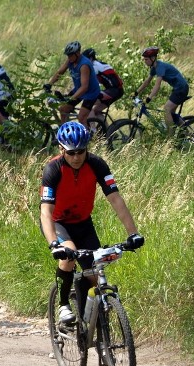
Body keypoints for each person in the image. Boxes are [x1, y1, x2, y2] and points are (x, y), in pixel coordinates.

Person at [40, 121, 144, 323]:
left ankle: (89, 324)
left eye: (81, 151)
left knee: (94, 274)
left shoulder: (97, 164)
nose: (77, 157)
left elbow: (115, 199)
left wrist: (133, 233)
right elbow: (46, 211)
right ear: (61, 149)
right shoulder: (53, 169)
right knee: (68, 255)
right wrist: (54, 244)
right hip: (57, 222)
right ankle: (63, 305)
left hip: (83, 222)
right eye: (71, 153)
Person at [44, 41, 100, 127]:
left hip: (90, 93)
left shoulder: (84, 65)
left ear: (77, 53)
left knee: (81, 118)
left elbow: (84, 87)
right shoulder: (70, 60)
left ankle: (88, 138)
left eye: (70, 55)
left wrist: (71, 98)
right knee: (63, 109)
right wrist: (50, 84)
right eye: (68, 55)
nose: (68, 57)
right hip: (78, 89)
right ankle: (65, 135)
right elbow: (60, 72)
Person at [134, 46, 189, 131]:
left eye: (146, 59)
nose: (144, 61)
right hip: (178, 88)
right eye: (144, 59)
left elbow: (157, 85)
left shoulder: (160, 67)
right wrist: (136, 92)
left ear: (153, 58)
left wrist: (149, 98)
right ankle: (186, 133)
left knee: (166, 109)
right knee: (172, 114)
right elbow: (147, 82)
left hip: (181, 88)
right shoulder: (154, 68)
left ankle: (170, 138)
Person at [81, 48, 124, 121]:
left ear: (91, 58)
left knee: (88, 106)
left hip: (114, 90)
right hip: (117, 90)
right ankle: (107, 131)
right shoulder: (97, 64)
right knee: (96, 111)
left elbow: (88, 84)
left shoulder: (94, 66)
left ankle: (92, 130)